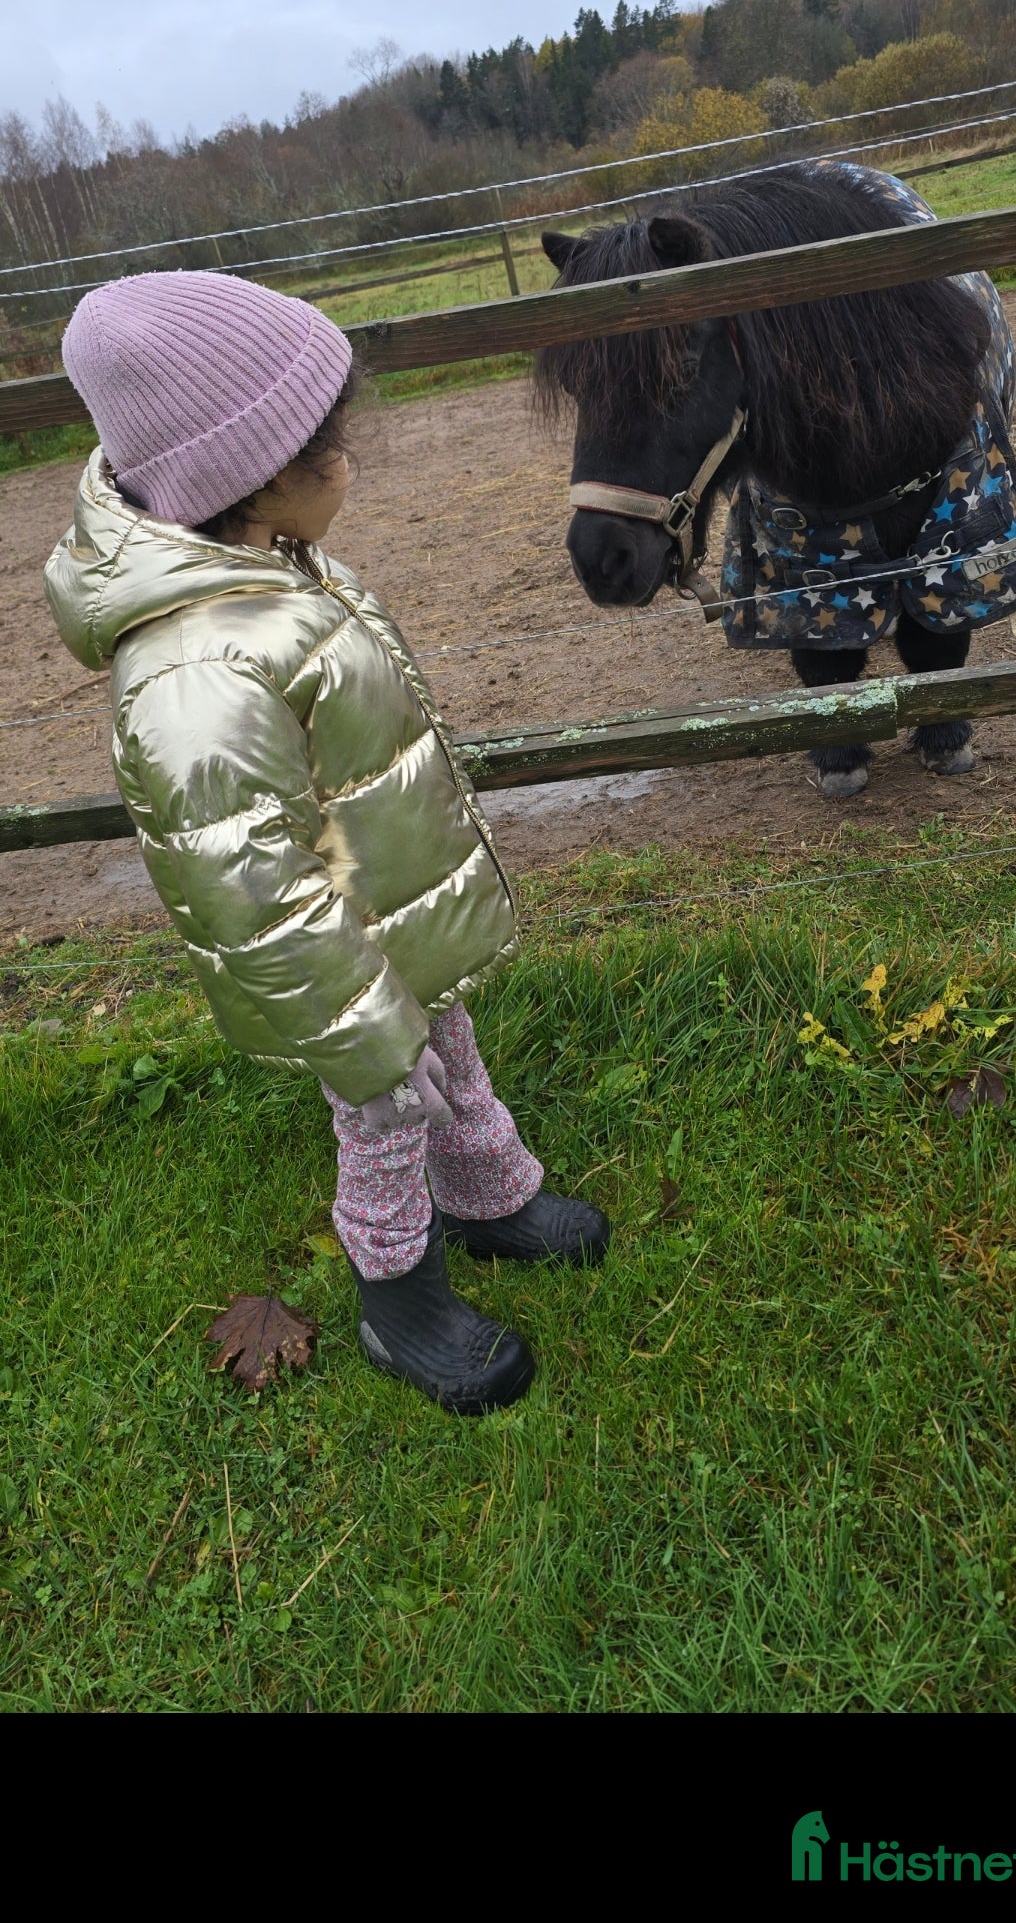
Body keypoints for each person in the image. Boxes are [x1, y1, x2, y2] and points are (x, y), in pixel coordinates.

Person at [45, 271, 609, 1415]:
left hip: (390, 920)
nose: (348, 458)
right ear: (257, 475)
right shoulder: (197, 668)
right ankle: (400, 1296)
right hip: (340, 968)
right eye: (330, 440)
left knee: (449, 1051)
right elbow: (245, 879)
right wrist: (357, 1023)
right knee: (385, 1116)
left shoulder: (277, 573)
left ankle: (490, 1191)